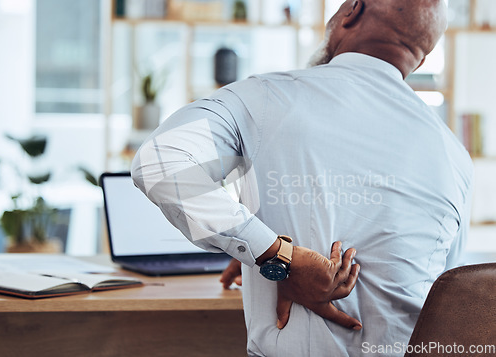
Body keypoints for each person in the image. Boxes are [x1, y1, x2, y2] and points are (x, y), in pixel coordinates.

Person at [131, 0, 473, 355]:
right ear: (422, 57)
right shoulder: (454, 155)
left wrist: (273, 256)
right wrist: (252, 243)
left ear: (351, 10)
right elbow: (450, 293)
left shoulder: (265, 98)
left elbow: (160, 162)